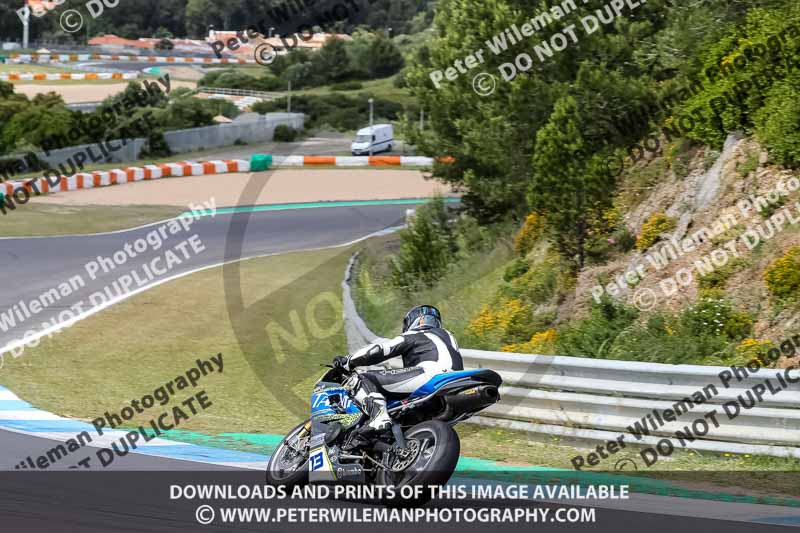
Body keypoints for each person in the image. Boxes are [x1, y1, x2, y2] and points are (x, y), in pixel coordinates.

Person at [334, 305, 463, 434]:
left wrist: (348, 360)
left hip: (429, 376)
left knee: (362, 378)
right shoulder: (448, 336)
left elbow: (379, 350)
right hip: (455, 381)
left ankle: (379, 417)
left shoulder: (415, 334)